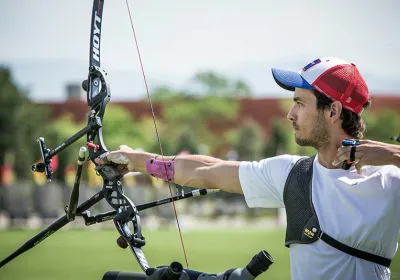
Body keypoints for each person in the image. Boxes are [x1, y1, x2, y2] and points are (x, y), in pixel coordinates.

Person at [95, 57, 400, 280]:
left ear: (332, 110)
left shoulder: (389, 181)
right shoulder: (292, 174)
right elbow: (209, 171)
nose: (291, 114)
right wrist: (137, 161)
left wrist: (388, 153)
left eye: (301, 103)